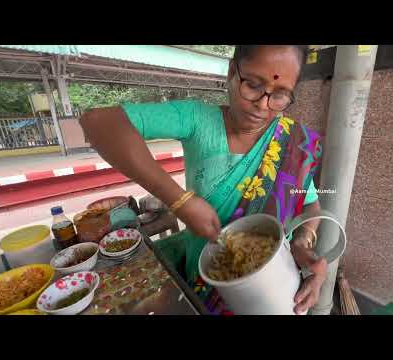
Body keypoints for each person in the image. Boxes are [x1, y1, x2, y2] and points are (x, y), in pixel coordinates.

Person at [80, 45, 329, 315]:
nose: (262, 104)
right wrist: (180, 202)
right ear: (233, 71)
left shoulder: (293, 145)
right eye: (253, 85)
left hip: (278, 287)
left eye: (279, 95)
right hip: (208, 289)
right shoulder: (197, 120)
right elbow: (98, 122)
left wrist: (302, 241)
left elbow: (309, 204)